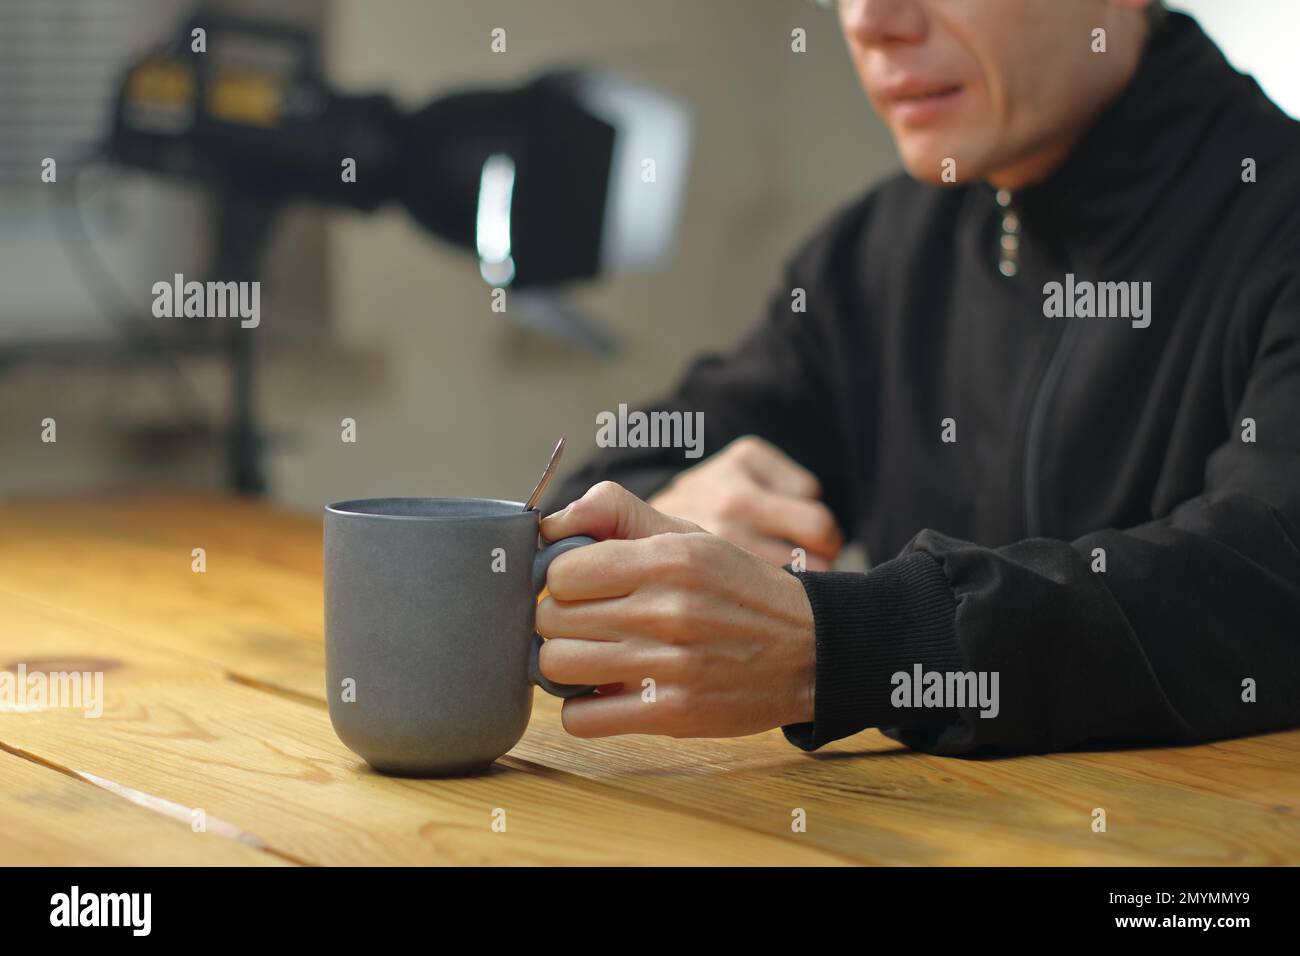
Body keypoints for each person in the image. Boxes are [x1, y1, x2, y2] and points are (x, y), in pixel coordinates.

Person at [535, 0, 1300, 755]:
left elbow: (1266, 579)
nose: (871, 20)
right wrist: (667, 523)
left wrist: (845, 645)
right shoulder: (879, 254)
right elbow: (618, 477)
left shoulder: (1277, 223)